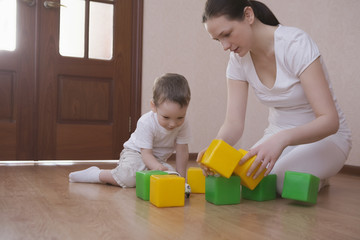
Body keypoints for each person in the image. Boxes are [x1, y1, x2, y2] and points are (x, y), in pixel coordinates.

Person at [197, 0, 352, 193]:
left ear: (248, 15)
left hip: (326, 138)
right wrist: (216, 146)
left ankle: (318, 176)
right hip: (277, 136)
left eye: (226, 34)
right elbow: (233, 123)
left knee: (276, 181)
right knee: (246, 176)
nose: (224, 46)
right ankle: (310, 175)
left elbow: (330, 121)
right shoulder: (237, 61)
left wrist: (281, 139)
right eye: (218, 40)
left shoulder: (295, 44)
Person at [69, 73, 191, 187]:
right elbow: (146, 153)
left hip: (157, 160)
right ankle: (97, 174)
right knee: (128, 177)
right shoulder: (146, 122)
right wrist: (157, 167)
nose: (173, 124)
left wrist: (181, 179)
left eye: (180, 117)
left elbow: (182, 151)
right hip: (136, 153)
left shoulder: (183, 124)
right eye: (166, 117)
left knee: (172, 175)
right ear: (153, 106)